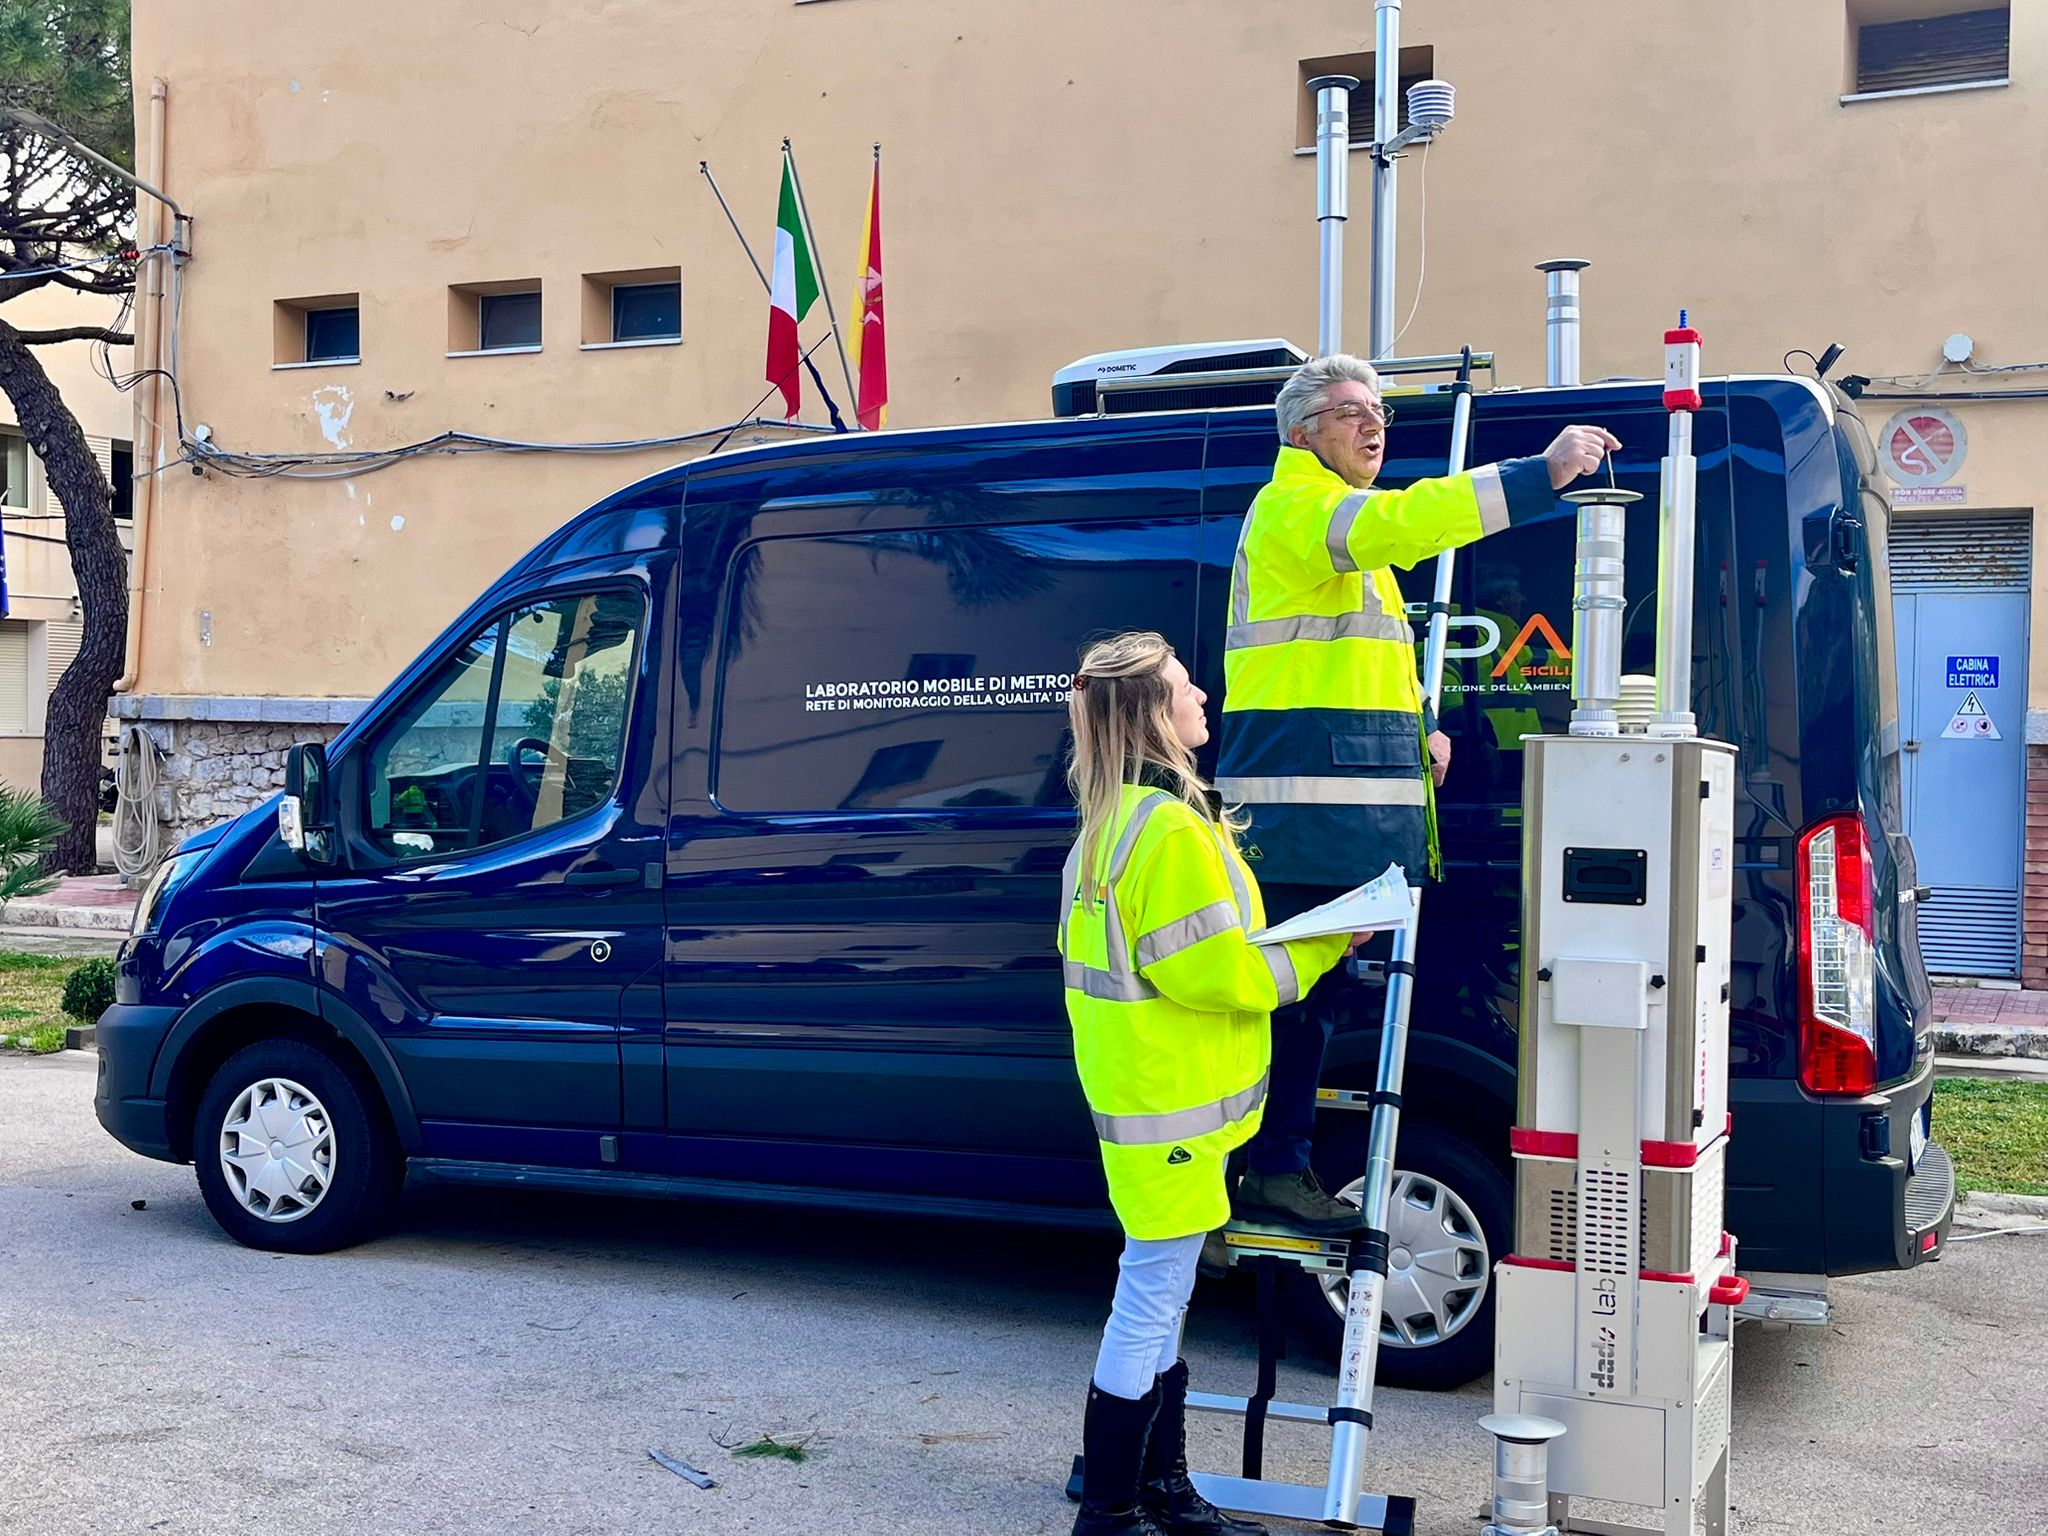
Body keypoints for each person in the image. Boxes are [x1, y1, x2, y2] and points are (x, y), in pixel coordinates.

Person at [1217, 354, 1620, 1236]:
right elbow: (1408, 522)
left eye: (1380, 413)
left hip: (1328, 824)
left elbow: (1357, 666)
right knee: (1287, 1012)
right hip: (1302, 822)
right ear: (1301, 433)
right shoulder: (1300, 507)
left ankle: (1258, 1173)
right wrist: (1540, 475)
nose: (1373, 425)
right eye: (1351, 412)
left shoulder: (1328, 524)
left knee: (1306, 1007)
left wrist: (1422, 730)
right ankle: (1253, 1176)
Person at [1057, 630, 1365, 1536]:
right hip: (1175, 1115)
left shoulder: (1113, 822)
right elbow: (1220, 973)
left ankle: (1158, 1494)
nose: (1202, 698)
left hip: (1148, 1104)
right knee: (1150, 1300)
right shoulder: (1168, 830)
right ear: (1152, 714)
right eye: (1186, 687)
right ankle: (1114, 1511)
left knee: (1163, 1299)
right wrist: (1326, 943)